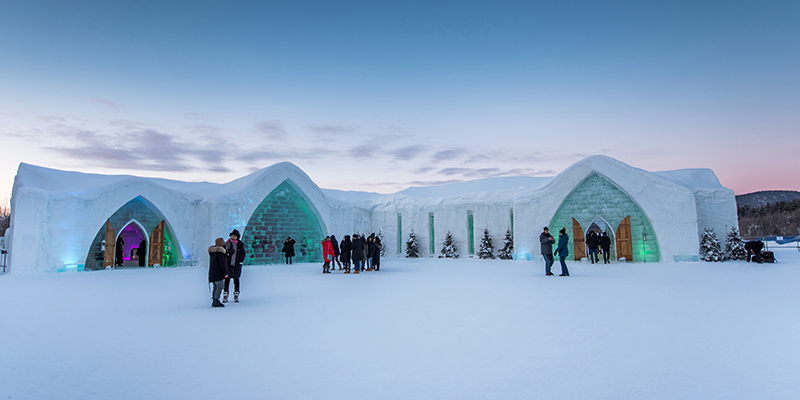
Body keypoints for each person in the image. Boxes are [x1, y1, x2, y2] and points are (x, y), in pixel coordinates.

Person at [224, 229, 246, 303]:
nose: (233, 237)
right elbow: (224, 253)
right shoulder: (227, 243)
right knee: (227, 280)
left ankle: (236, 295)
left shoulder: (240, 245)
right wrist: (228, 253)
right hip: (228, 264)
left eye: (235, 236)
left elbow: (243, 253)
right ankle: (225, 295)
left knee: (236, 280)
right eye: (232, 236)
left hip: (236, 265)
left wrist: (240, 261)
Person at [208, 237, 228, 308]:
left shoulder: (213, 253)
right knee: (220, 286)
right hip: (218, 273)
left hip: (212, 273)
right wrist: (225, 273)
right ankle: (216, 300)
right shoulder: (220, 253)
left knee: (215, 286)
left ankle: (214, 300)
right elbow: (222, 264)